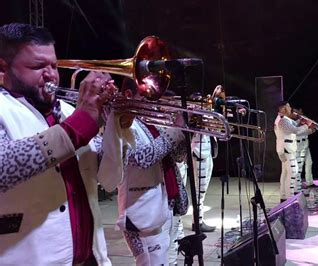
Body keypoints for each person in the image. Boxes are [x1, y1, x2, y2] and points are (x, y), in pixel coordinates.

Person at [0, 23, 112, 264]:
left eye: (54, 65)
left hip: (90, 256)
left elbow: (107, 175)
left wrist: (116, 125)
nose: (50, 74)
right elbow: (3, 166)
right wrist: (80, 124)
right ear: (3, 67)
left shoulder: (68, 110)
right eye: (38, 66)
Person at [98, 78, 185, 265]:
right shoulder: (123, 122)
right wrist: (176, 130)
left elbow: (178, 156)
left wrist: (187, 130)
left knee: (167, 260)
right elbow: (142, 158)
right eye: (147, 96)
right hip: (140, 214)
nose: (153, 102)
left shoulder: (152, 121)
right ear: (129, 95)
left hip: (165, 204)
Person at [274, 101, 314, 202]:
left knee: (286, 174)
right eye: (288, 106)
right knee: (292, 173)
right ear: (283, 108)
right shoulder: (282, 120)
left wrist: (300, 122)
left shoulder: (284, 119)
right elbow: (295, 130)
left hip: (285, 149)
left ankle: (284, 198)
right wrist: (307, 125)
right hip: (287, 150)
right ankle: (290, 200)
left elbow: (292, 126)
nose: (290, 108)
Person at [293, 108, 315, 189]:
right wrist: (303, 123)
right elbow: (296, 131)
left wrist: (312, 129)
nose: (301, 113)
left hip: (305, 144)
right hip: (298, 145)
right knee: (299, 165)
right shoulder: (293, 121)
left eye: (302, 111)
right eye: (299, 111)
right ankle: (297, 184)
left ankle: (309, 182)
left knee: (309, 163)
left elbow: (307, 132)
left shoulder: (303, 120)